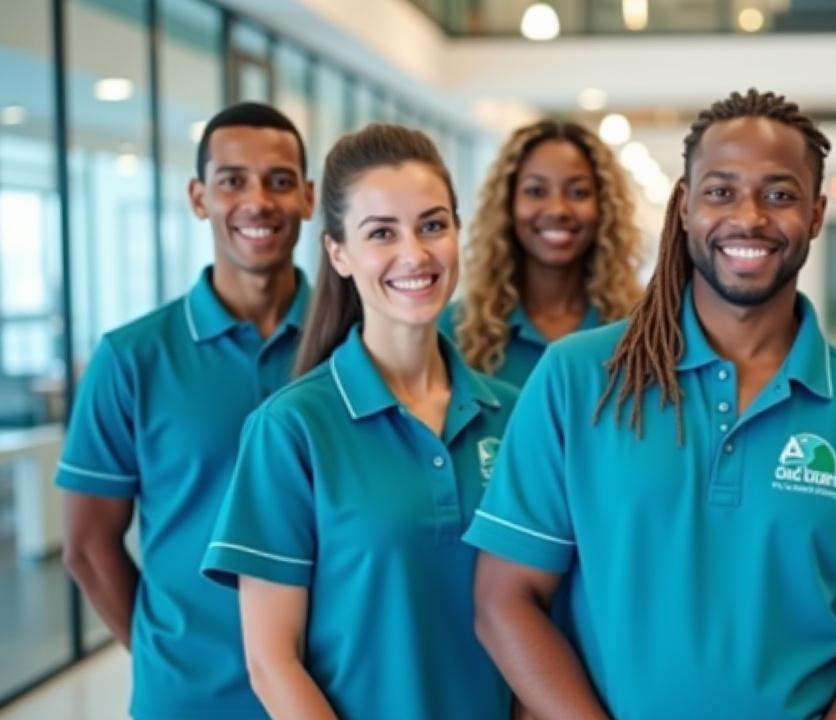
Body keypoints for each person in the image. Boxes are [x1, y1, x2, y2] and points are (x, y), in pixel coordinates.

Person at [463, 89, 836, 719]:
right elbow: (504, 599)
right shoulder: (577, 378)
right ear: (684, 207)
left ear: (814, 214)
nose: (748, 217)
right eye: (720, 191)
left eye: (779, 195)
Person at [199, 124, 516, 719]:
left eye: (432, 225)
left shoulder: (517, 413)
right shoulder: (291, 429)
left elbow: (542, 613)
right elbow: (272, 662)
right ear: (339, 253)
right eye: (381, 234)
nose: (415, 254)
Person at [56, 102, 311, 719]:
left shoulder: (353, 344)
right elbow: (88, 547)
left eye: (279, 181)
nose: (258, 201)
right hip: (191, 698)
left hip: (334, 689)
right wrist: (161, 657)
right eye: (232, 181)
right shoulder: (131, 357)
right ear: (200, 198)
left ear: (307, 196)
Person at [441, 120, 644, 387]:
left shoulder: (641, 329)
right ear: (507, 204)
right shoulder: (457, 330)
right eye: (536, 191)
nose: (557, 209)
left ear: (604, 206)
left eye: (578, 192)